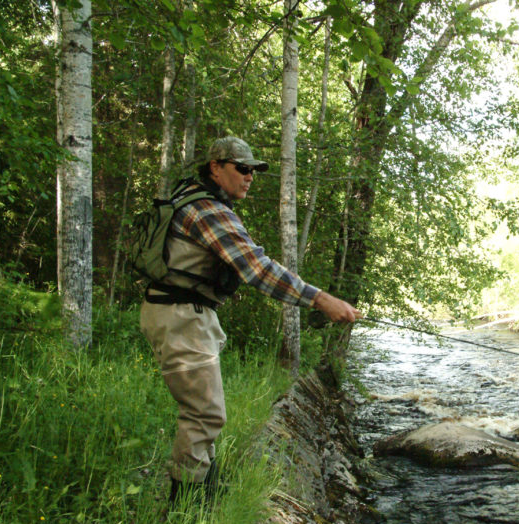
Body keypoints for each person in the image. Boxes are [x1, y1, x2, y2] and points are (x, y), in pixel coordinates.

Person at [139, 136, 361, 505]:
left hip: (180, 313)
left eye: (253, 170)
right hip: (180, 316)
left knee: (204, 411)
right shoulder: (208, 210)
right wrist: (320, 299)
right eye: (242, 168)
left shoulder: (195, 198)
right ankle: (187, 513)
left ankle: (203, 492)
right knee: (204, 415)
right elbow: (256, 269)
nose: (249, 176)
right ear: (216, 167)